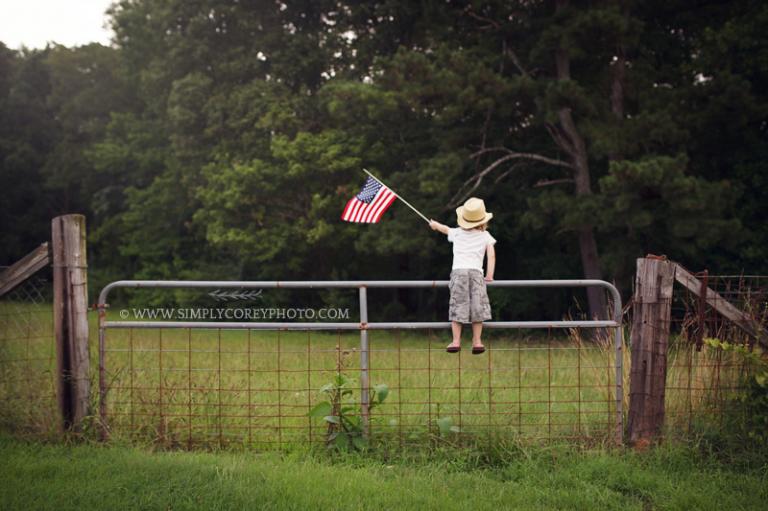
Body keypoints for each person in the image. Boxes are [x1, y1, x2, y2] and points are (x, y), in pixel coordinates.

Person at [429, 197, 496, 354]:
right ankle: (477, 341)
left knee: (458, 305)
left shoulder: (457, 233)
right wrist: (489, 275)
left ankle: (456, 340)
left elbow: (445, 229)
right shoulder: (486, 235)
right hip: (476, 273)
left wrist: (435, 225)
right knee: (477, 307)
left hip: (459, 272)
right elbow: (491, 255)